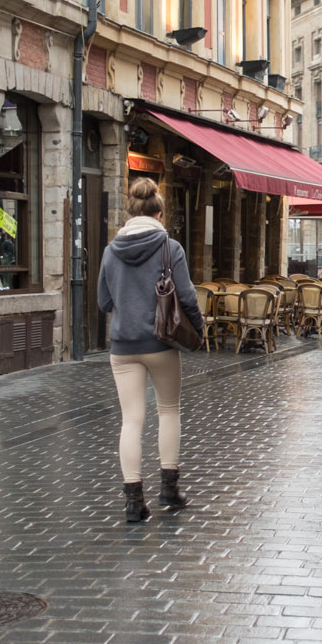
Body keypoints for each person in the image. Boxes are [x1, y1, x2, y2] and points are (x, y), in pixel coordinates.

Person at [98, 178, 204, 523]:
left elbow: (103, 301)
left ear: (130, 212)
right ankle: (169, 489)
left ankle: (133, 503)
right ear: (158, 213)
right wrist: (199, 330)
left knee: (131, 421)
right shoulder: (169, 247)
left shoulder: (110, 250)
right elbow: (186, 296)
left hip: (123, 347)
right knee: (169, 411)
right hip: (160, 343)